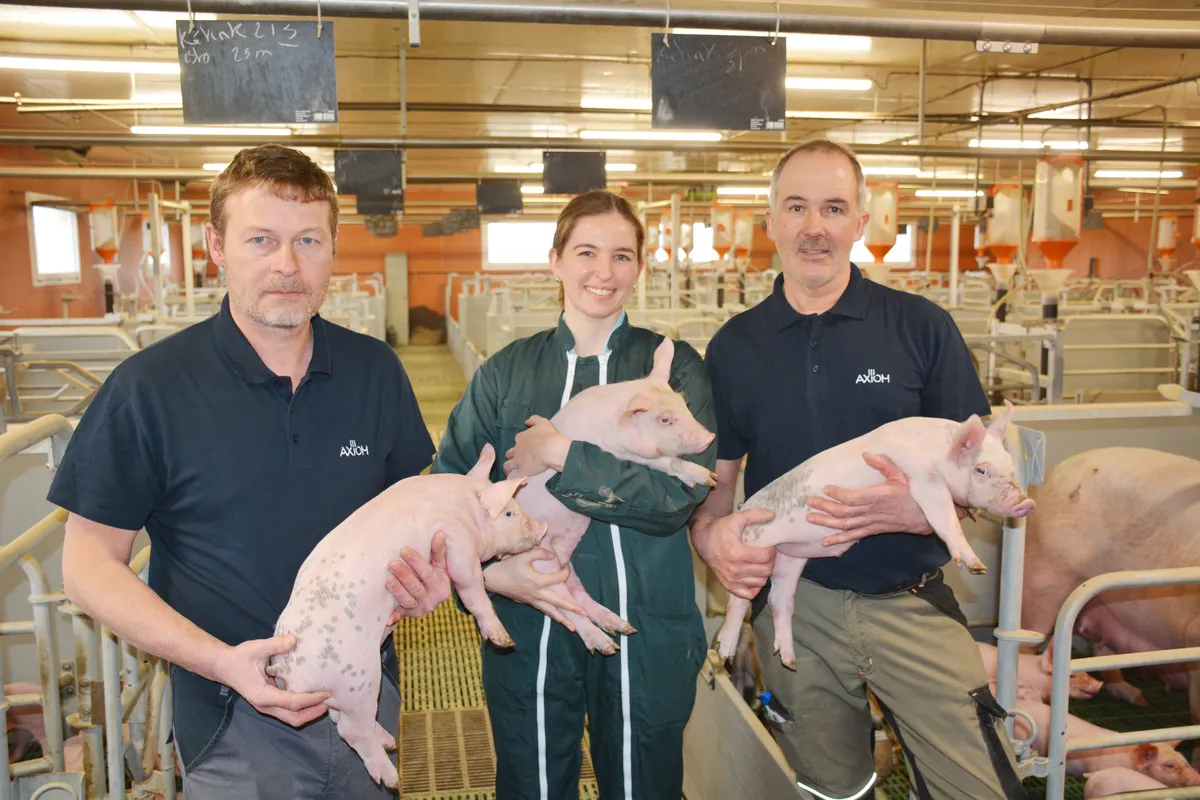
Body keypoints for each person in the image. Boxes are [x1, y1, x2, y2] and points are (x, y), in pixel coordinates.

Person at [48, 143, 452, 799]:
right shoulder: (148, 389)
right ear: (216, 245)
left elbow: (412, 516)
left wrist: (428, 578)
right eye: (261, 239)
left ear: (331, 249)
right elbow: (87, 564)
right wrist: (220, 663)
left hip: (365, 695)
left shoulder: (375, 372)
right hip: (231, 719)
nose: (286, 264)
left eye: (308, 241)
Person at [691, 139, 1027, 800]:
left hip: (911, 601)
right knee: (831, 788)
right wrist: (713, 543)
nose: (815, 226)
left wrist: (912, 510)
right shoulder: (735, 346)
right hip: (798, 608)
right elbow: (717, 488)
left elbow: (981, 473)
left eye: (834, 208)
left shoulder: (920, 328)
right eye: (797, 207)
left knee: (979, 787)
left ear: (861, 222)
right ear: (772, 221)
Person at [432, 190, 717, 800]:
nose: (603, 272)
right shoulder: (507, 372)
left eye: (622, 255)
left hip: (646, 622)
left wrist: (563, 455)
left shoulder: (673, 369)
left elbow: (675, 502)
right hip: (528, 616)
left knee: (645, 784)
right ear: (556, 259)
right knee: (534, 782)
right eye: (586, 252)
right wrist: (492, 576)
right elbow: (449, 495)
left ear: (640, 266)